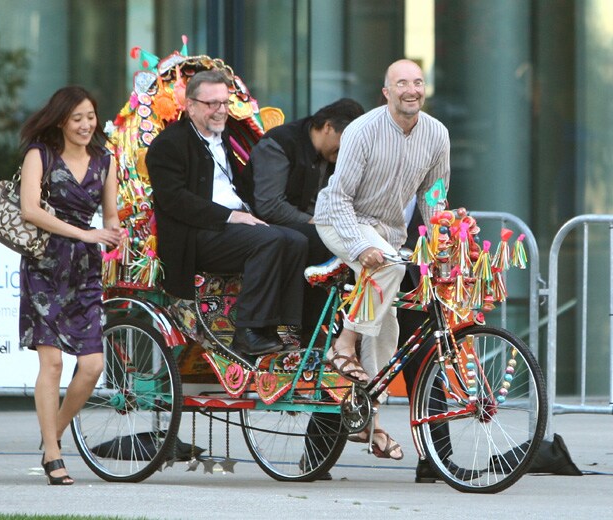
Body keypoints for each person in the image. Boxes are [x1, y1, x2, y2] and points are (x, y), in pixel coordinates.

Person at [314, 59, 450, 461]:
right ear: (386, 92)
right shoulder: (362, 130)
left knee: (388, 325)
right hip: (340, 220)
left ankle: (366, 419)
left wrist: (442, 242)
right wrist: (359, 246)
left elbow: (434, 197)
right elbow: (338, 198)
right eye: (402, 83)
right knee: (388, 267)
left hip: (389, 233)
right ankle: (344, 344)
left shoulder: (437, 134)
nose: (412, 90)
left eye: (418, 82)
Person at [145, 69, 307, 356]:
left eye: (225, 103)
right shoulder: (168, 144)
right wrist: (230, 216)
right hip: (197, 235)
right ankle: (248, 332)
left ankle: (285, 327)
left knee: (296, 240)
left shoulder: (224, 137)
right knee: (269, 240)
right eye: (212, 104)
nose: (221, 111)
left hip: (234, 228)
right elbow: (174, 199)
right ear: (191, 106)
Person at [19, 86, 122, 485]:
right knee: (54, 363)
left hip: (85, 271)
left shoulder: (105, 161)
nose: (85, 124)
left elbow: (110, 215)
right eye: (77, 117)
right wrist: (84, 233)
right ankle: (54, 454)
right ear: (62, 120)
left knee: (93, 365)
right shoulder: (38, 154)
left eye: (90, 117)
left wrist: (114, 233)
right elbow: (30, 210)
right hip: (44, 266)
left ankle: (51, 438)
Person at [248, 98, 365, 333]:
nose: (346, 150)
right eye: (345, 141)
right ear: (328, 127)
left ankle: (352, 328)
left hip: (308, 225)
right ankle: (311, 328)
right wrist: (313, 221)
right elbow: (269, 205)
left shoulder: (336, 158)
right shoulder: (279, 143)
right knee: (319, 238)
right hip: (262, 224)